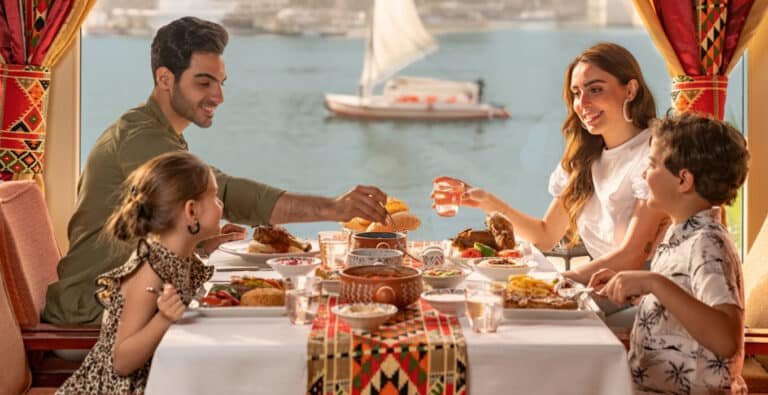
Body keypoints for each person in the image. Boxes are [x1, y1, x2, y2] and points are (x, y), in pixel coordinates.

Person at [43, 16, 388, 326]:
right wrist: (333, 208)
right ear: (165, 78)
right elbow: (222, 191)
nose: (219, 95)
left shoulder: (159, 133)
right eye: (204, 82)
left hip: (118, 299)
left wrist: (199, 245)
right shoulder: (140, 136)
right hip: (89, 311)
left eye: (221, 82)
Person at [433, 42, 668, 287]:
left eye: (595, 89)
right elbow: (545, 236)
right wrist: (486, 201)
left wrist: (558, 282)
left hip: (646, 295)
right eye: (576, 93)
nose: (583, 103)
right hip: (601, 287)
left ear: (630, 90)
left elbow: (632, 256)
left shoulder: (654, 153)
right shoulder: (585, 158)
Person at [594, 113, 749, 394]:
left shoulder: (706, 243)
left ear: (683, 180)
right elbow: (686, 301)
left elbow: (727, 339)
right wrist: (636, 286)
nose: (644, 173)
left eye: (652, 164)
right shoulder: (682, 235)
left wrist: (654, 282)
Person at [56, 151, 223, 394]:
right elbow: (121, 361)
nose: (220, 204)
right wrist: (163, 319)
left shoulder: (173, 256)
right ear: (191, 211)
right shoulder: (149, 272)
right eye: (215, 197)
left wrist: (207, 244)